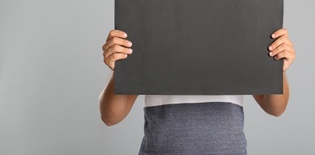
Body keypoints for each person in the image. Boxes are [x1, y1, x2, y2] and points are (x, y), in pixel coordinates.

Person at [99, 28, 296, 154]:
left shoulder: (240, 23)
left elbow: (275, 108)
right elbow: (110, 116)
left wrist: (277, 70)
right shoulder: (150, 23)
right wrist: (120, 69)